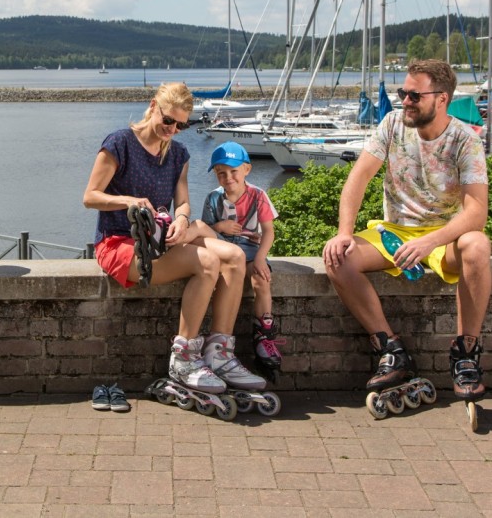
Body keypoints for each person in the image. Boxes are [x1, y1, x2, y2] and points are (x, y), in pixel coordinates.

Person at [322, 59, 490, 402]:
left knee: (477, 245)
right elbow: (359, 178)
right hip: (395, 232)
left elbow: (476, 213)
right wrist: (343, 231)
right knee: (338, 257)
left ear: (441, 99)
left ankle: (465, 355)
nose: (405, 101)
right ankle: (391, 348)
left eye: (414, 95)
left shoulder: (464, 140)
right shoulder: (393, 123)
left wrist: (431, 241)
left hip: (445, 236)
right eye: (403, 92)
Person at [83, 81, 265, 396]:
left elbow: (182, 201)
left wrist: (181, 218)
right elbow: (90, 197)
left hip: (160, 241)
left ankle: (218, 354)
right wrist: (128, 201)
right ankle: (183, 359)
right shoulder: (120, 143)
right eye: (168, 120)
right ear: (154, 106)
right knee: (208, 261)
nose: (172, 129)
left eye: (181, 125)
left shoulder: (178, 153)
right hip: (119, 244)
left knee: (234, 257)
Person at [201, 141, 283, 380]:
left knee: (261, 279)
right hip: (224, 252)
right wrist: (219, 226)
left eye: (233, 171)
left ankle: (264, 333)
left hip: (250, 253)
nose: (228, 178)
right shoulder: (213, 199)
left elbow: (269, 231)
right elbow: (204, 230)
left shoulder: (258, 196)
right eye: (221, 173)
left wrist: (260, 258)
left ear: (247, 169)